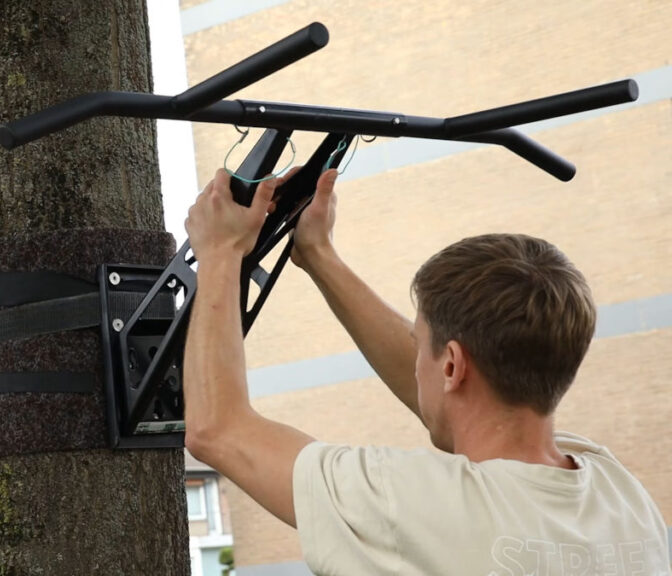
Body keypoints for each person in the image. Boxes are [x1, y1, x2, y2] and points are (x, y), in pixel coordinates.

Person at [183, 167, 671, 575]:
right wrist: (319, 256)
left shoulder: (413, 505)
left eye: (421, 345)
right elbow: (454, 393)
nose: (416, 360)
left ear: (453, 365)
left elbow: (218, 428)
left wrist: (220, 253)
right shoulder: (622, 497)